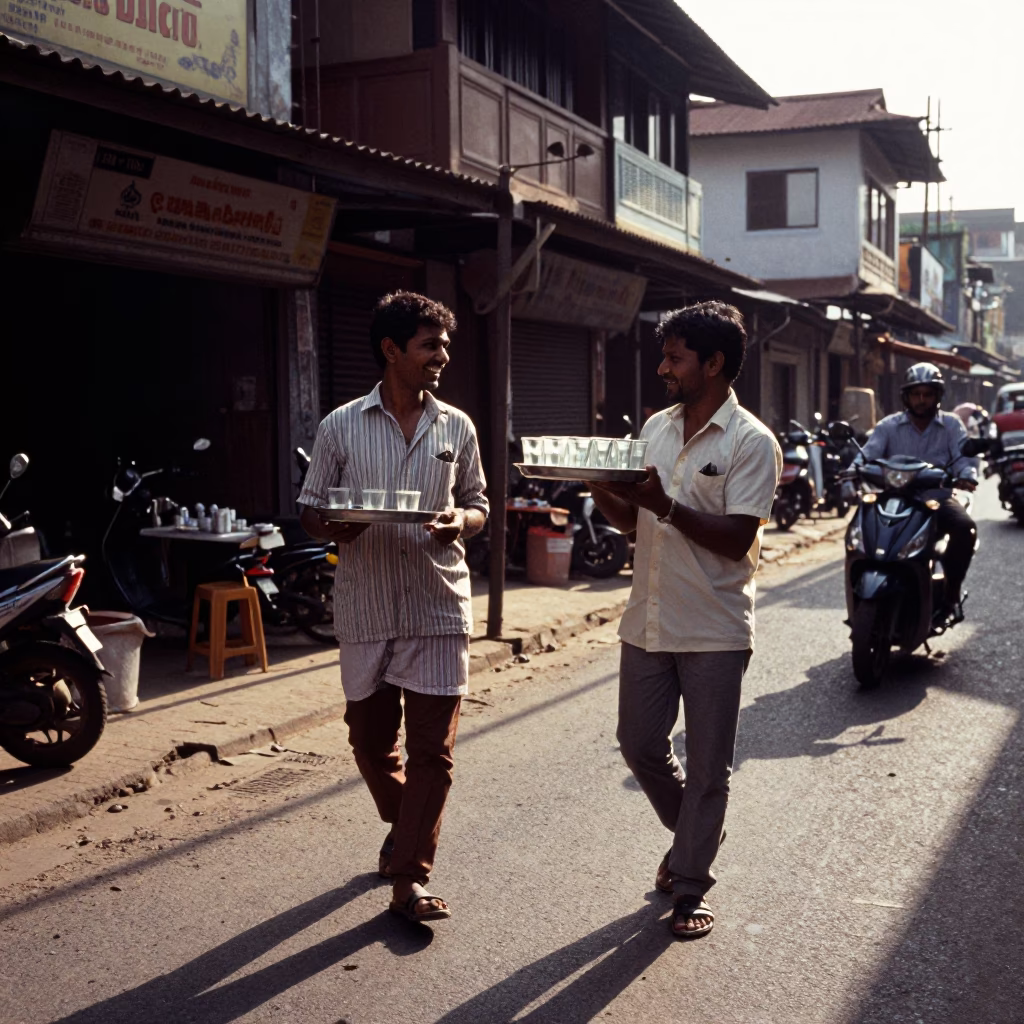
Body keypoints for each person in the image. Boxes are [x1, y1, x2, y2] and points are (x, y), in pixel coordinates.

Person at [590, 301, 781, 940]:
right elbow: (634, 520)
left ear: (715, 362)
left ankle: (691, 883)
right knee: (639, 744)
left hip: (715, 626)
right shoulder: (656, 428)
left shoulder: (751, 442)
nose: (663, 368)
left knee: (708, 767)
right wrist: (602, 490)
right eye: (664, 355)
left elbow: (734, 539)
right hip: (647, 618)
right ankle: (698, 832)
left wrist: (663, 505)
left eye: (675, 357)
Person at [298, 291, 488, 924]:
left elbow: (479, 503)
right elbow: (311, 511)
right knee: (370, 742)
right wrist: (337, 528)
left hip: (439, 606)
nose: (443, 356)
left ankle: (409, 880)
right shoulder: (339, 425)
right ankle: (404, 826)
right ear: (391, 350)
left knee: (433, 753)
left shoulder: (456, 426)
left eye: (444, 344)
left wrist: (459, 520)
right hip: (366, 607)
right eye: (430, 345)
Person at [859, 362, 978, 617]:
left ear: (937, 396)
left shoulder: (952, 425)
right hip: (893, 498)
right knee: (860, 531)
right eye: (916, 394)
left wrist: (967, 476)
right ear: (907, 396)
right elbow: (866, 456)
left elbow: (964, 458)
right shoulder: (888, 426)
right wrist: (851, 471)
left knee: (965, 528)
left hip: (936, 499)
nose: (921, 400)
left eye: (927, 394)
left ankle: (951, 590)